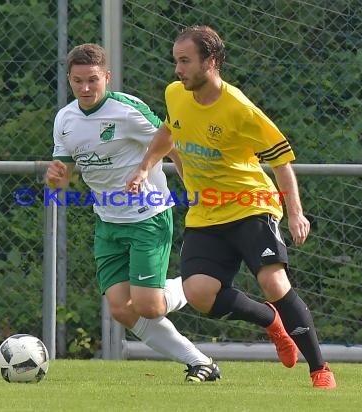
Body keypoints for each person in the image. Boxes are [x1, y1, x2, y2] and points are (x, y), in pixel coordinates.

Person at [126, 26, 336, 389]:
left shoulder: (239, 108)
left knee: (272, 280)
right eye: (176, 60)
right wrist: (145, 166)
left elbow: (281, 161)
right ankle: (272, 322)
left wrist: (297, 212)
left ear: (211, 61)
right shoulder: (175, 94)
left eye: (185, 61)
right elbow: (168, 131)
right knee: (198, 294)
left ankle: (319, 369)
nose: (178, 69)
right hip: (206, 211)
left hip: (250, 204)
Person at [45, 43, 220, 382]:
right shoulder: (65, 119)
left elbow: (170, 142)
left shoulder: (126, 110)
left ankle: (196, 285)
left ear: (106, 77)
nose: (85, 88)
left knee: (149, 307)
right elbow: (62, 182)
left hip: (147, 217)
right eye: (78, 81)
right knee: (121, 309)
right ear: (69, 80)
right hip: (108, 223)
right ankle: (200, 362)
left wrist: (192, 189)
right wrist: (55, 180)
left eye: (93, 80)